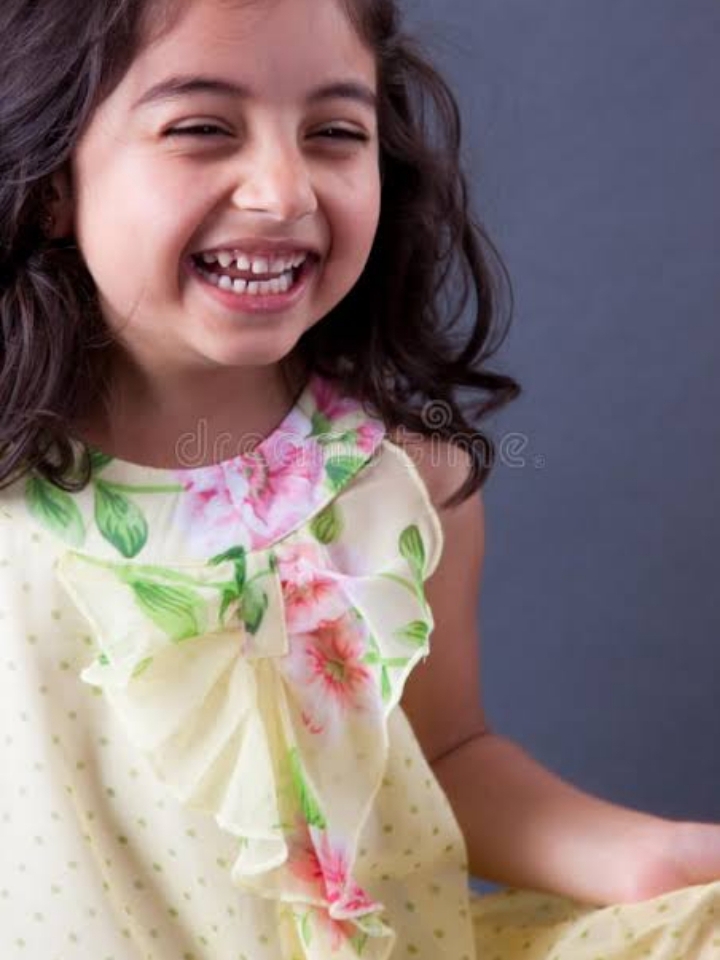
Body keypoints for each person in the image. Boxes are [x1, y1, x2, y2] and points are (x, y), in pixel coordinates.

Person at [2, 0, 720, 957]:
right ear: (52, 181)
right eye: (202, 128)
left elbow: (447, 756)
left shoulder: (408, 485)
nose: (283, 189)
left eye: (335, 133)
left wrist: (659, 858)